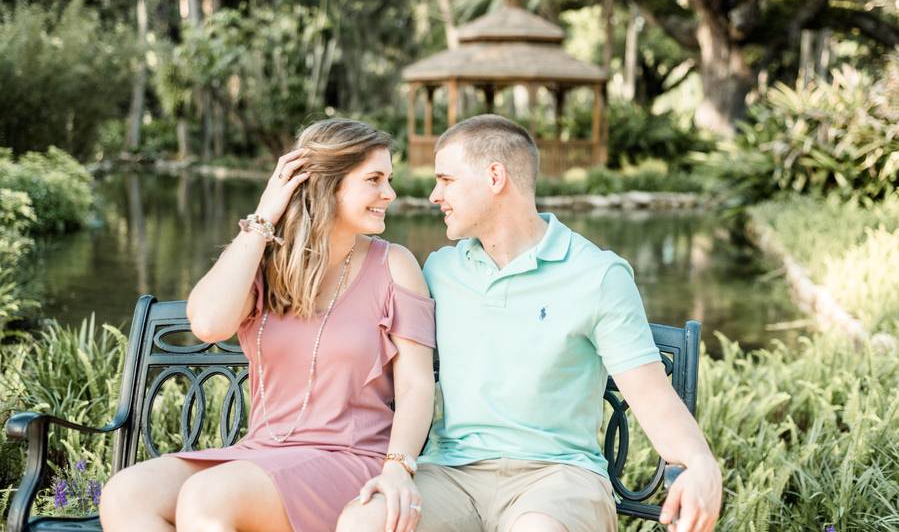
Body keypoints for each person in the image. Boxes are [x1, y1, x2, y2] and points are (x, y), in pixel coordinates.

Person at [338, 114, 722, 532]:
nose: (434, 195)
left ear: (495, 177)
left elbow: (650, 396)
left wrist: (700, 463)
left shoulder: (597, 275)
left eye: (446, 180)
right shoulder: (438, 271)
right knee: (365, 522)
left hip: (558, 480)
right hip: (450, 476)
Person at [99, 119, 437, 532]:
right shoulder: (266, 264)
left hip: (349, 458)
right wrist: (263, 219)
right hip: (260, 453)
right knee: (127, 493)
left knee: (208, 497)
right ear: (327, 185)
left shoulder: (394, 264)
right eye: (374, 179)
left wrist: (398, 468)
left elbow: (417, 385)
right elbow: (207, 323)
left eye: (389, 178)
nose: (390, 193)